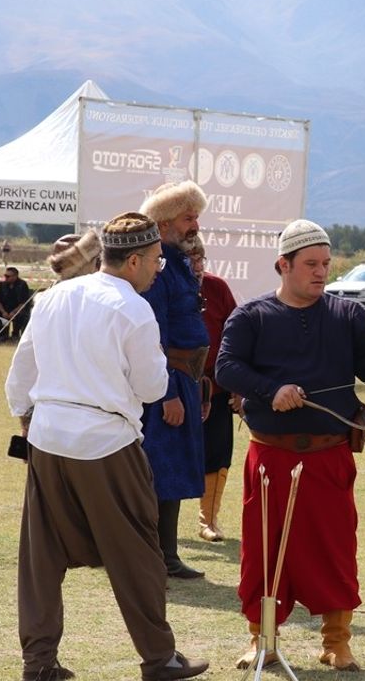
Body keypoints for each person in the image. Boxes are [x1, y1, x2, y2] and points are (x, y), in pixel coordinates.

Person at [216, 219, 365, 672]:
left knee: (335, 549)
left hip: (329, 456)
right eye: (310, 264)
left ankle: (337, 641)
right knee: (263, 551)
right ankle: (263, 640)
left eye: (326, 264)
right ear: (283, 264)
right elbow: (227, 368)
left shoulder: (347, 314)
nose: (320, 272)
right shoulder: (250, 316)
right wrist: (270, 389)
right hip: (270, 458)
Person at [4, 212, 209, 681]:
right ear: (134, 260)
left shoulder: (52, 298)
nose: (160, 267)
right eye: (157, 259)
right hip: (107, 442)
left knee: (40, 559)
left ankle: (39, 664)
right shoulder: (134, 309)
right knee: (137, 553)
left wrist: (33, 425)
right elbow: (153, 387)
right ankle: (159, 659)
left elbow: (20, 379)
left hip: (49, 439)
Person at [138, 181, 211, 579]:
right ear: (165, 223)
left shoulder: (177, 261)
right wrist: (167, 391)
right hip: (166, 380)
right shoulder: (158, 267)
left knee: (175, 468)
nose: (194, 225)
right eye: (188, 217)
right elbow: (156, 333)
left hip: (185, 378)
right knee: (159, 470)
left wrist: (197, 387)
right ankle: (156, 556)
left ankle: (166, 553)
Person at [185, 237, 240, 542]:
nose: (197, 267)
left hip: (216, 388)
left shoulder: (217, 288)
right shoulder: (162, 289)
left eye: (200, 259)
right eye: (190, 260)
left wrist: (237, 385)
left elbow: (236, 336)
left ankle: (209, 520)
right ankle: (155, 523)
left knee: (217, 453)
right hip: (171, 387)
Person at [0, 266, 34, 340]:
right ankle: (2, 335)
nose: (6, 278)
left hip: (18, 309)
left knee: (22, 315)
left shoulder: (22, 285)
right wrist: (3, 312)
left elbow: (24, 303)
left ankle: (15, 334)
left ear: (15, 276)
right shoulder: (2, 285)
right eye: (5, 275)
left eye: (8, 276)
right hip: (5, 309)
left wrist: (14, 312)